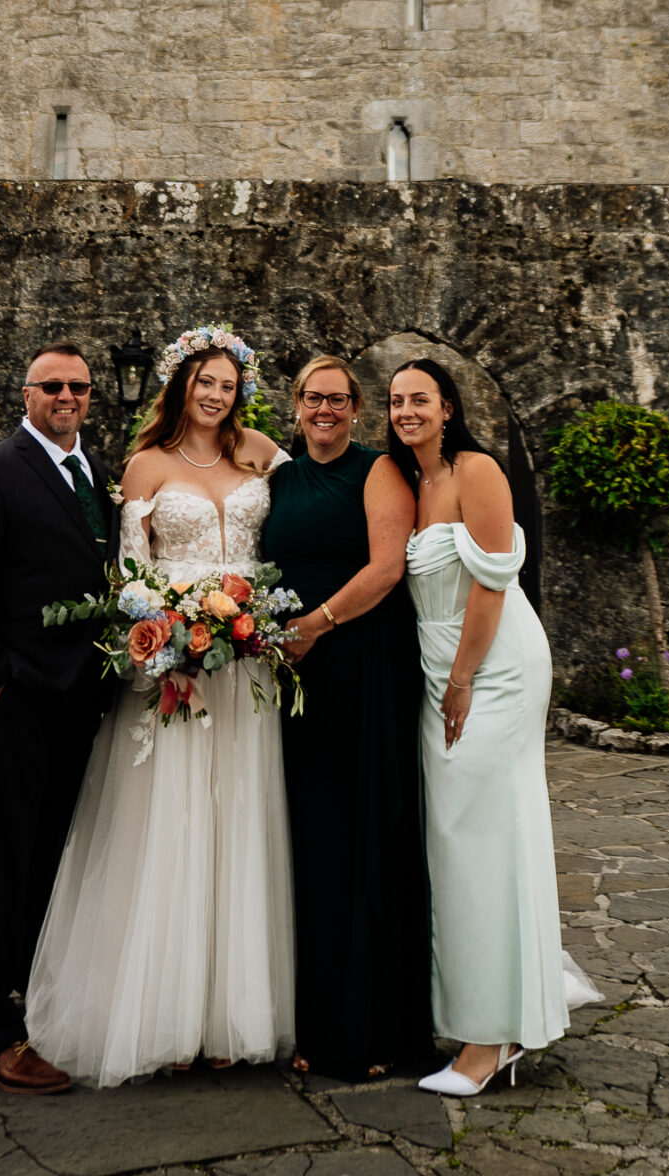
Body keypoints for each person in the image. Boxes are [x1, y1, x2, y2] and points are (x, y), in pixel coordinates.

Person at [26, 328, 294, 1085]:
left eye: (227, 382)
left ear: (242, 388)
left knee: (237, 826)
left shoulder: (263, 454)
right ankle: (165, 1017)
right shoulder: (145, 464)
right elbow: (132, 575)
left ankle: (231, 1016)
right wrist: (166, 644)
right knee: (173, 827)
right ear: (178, 385)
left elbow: (312, 508)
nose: (215, 394)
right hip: (177, 671)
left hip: (245, 670)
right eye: (202, 381)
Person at [390, 359, 593, 1097]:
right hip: (441, 668)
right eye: (396, 401)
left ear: (448, 408)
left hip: (493, 666)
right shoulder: (409, 480)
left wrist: (464, 676)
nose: (406, 410)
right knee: (459, 840)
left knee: (477, 839)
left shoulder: (477, 471)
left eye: (419, 399)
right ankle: (508, 998)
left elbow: (492, 582)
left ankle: (489, 1041)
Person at [0, 342, 118, 1096]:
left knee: (51, 860)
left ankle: (31, 1002)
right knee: (4, 866)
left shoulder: (96, 474)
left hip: (83, 698)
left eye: (77, 386)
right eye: (52, 386)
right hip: (21, 701)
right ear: (26, 394)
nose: (66, 396)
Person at [269, 354, 434, 1082]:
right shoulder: (275, 475)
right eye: (312, 398)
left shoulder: (377, 471)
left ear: (356, 408)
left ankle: (372, 1029)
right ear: (296, 405)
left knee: (363, 837)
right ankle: (312, 1018)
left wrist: (317, 622)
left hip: (362, 662)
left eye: (337, 399)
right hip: (294, 675)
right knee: (310, 842)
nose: (324, 410)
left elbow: (386, 567)